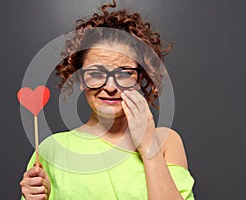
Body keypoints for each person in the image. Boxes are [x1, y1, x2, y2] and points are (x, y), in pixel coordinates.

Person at [20, 0, 195, 199]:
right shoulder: (51, 150)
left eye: (123, 74)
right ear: (79, 79)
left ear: (140, 78)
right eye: (95, 74)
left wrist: (148, 147)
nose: (110, 87)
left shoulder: (166, 141)